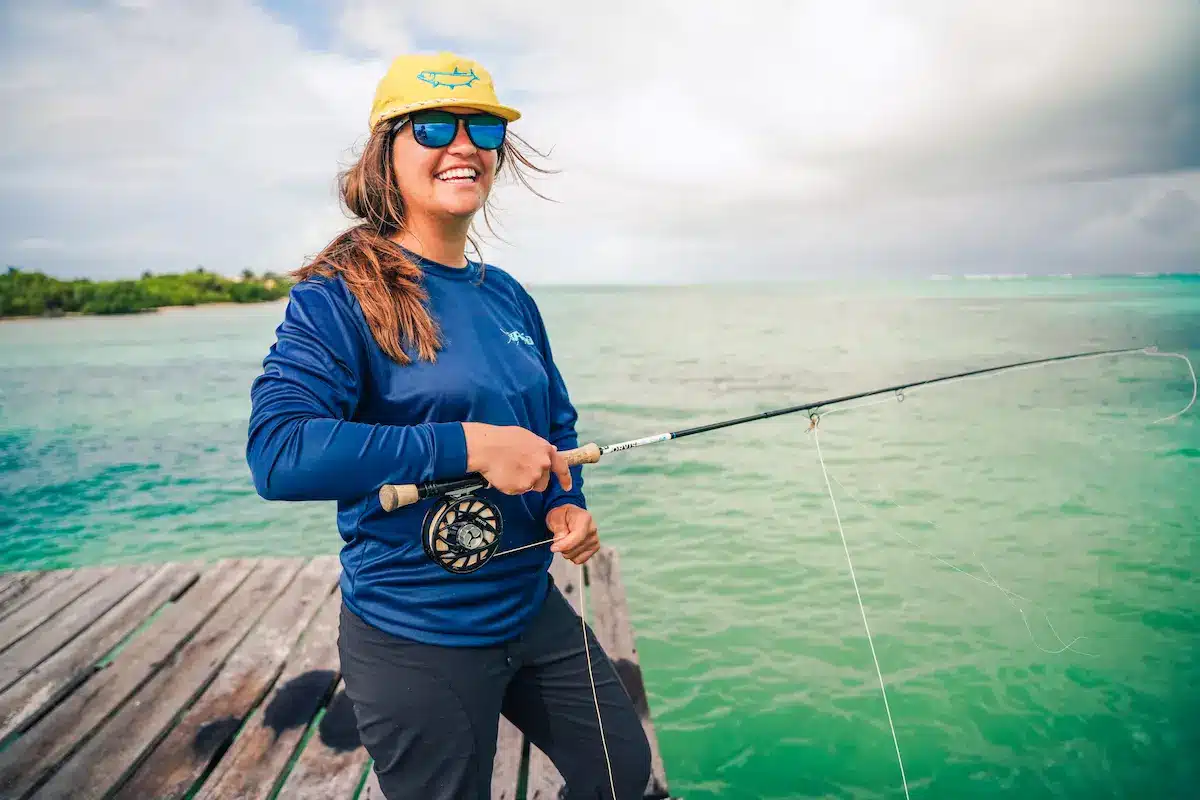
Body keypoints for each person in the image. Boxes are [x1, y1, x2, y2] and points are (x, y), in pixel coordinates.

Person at [245, 52, 652, 799]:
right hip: (414, 634)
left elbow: (555, 423)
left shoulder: (508, 295)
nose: (464, 145)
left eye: (483, 129)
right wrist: (469, 444)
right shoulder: (335, 298)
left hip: (530, 607)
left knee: (622, 775)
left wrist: (567, 503)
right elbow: (280, 453)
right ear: (386, 152)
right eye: (434, 127)